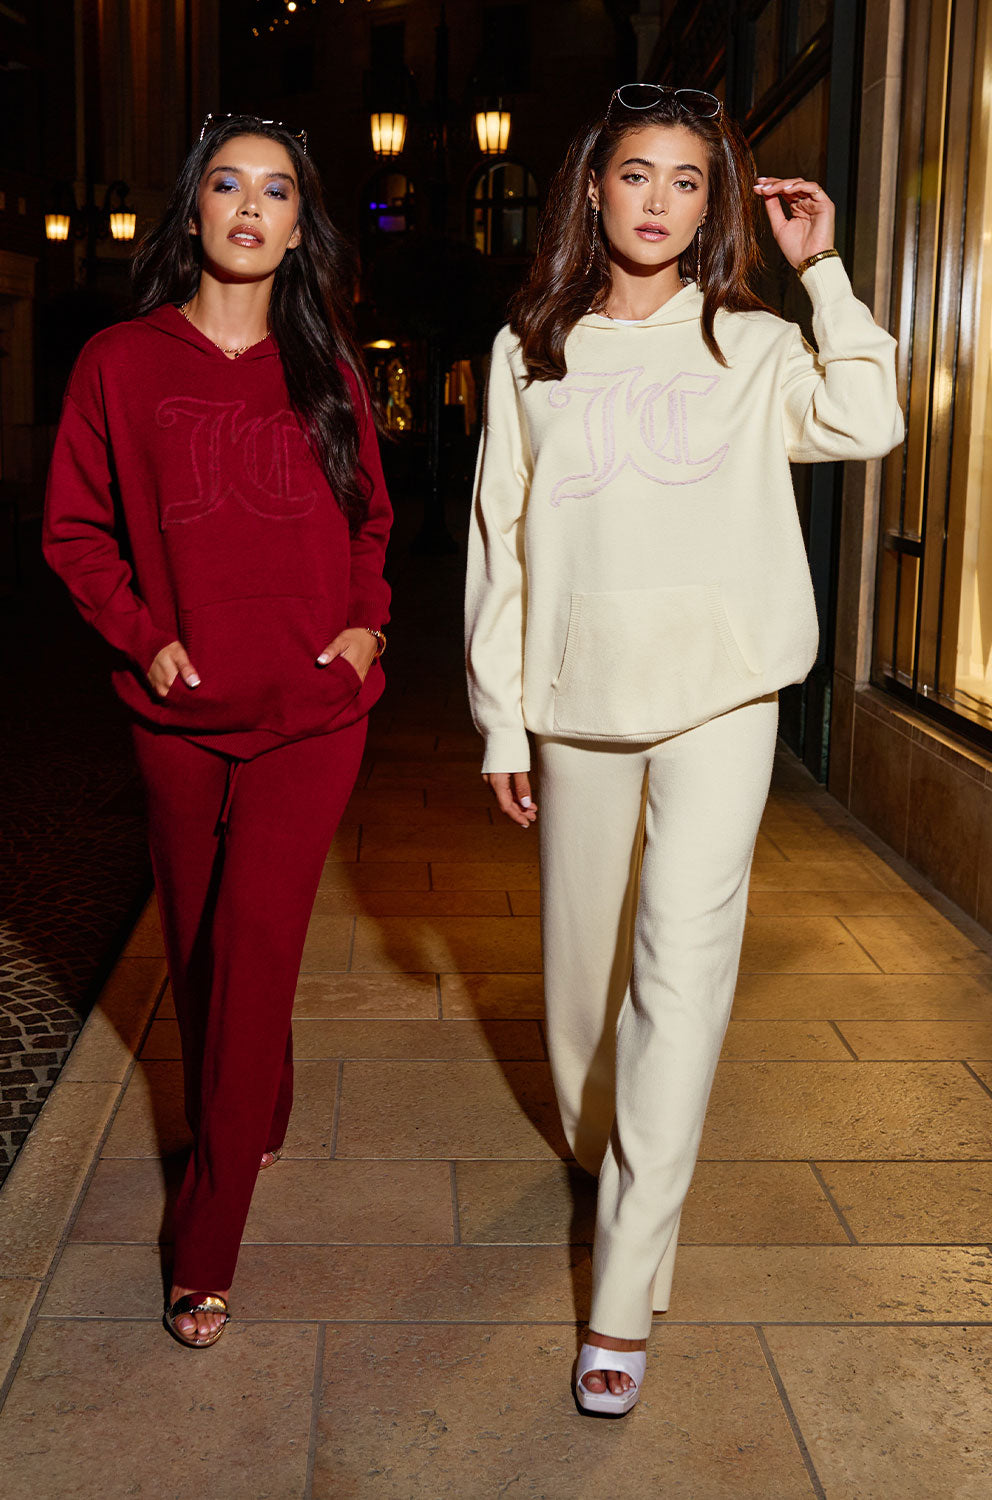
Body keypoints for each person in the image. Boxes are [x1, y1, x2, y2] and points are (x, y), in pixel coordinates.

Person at [464, 83, 902, 1415]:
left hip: (724, 698)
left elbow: (870, 420)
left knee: (682, 978)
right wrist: (501, 715)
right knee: (582, 995)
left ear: (716, 206)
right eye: (638, 174)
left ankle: (623, 1289)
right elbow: (504, 543)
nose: (660, 200)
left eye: (688, 182)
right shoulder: (532, 346)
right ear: (592, 188)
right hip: (579, 699)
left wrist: (822, 273)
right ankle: (615, 1166)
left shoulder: (756, 344)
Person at [43, 114, 392, 1348]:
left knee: (254, 951)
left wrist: (366, 629)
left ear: (301, 226)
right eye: (229, 185)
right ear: (190, 210)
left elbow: (370, 528)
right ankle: (265, 1096)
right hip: (178, 719)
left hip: (311, 715)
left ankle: (207, 1242)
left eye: (279, 190)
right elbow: (74, 533)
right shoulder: (119, 364)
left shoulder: (330, 369)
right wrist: (144, 633)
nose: (252, 207)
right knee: (199, 952)